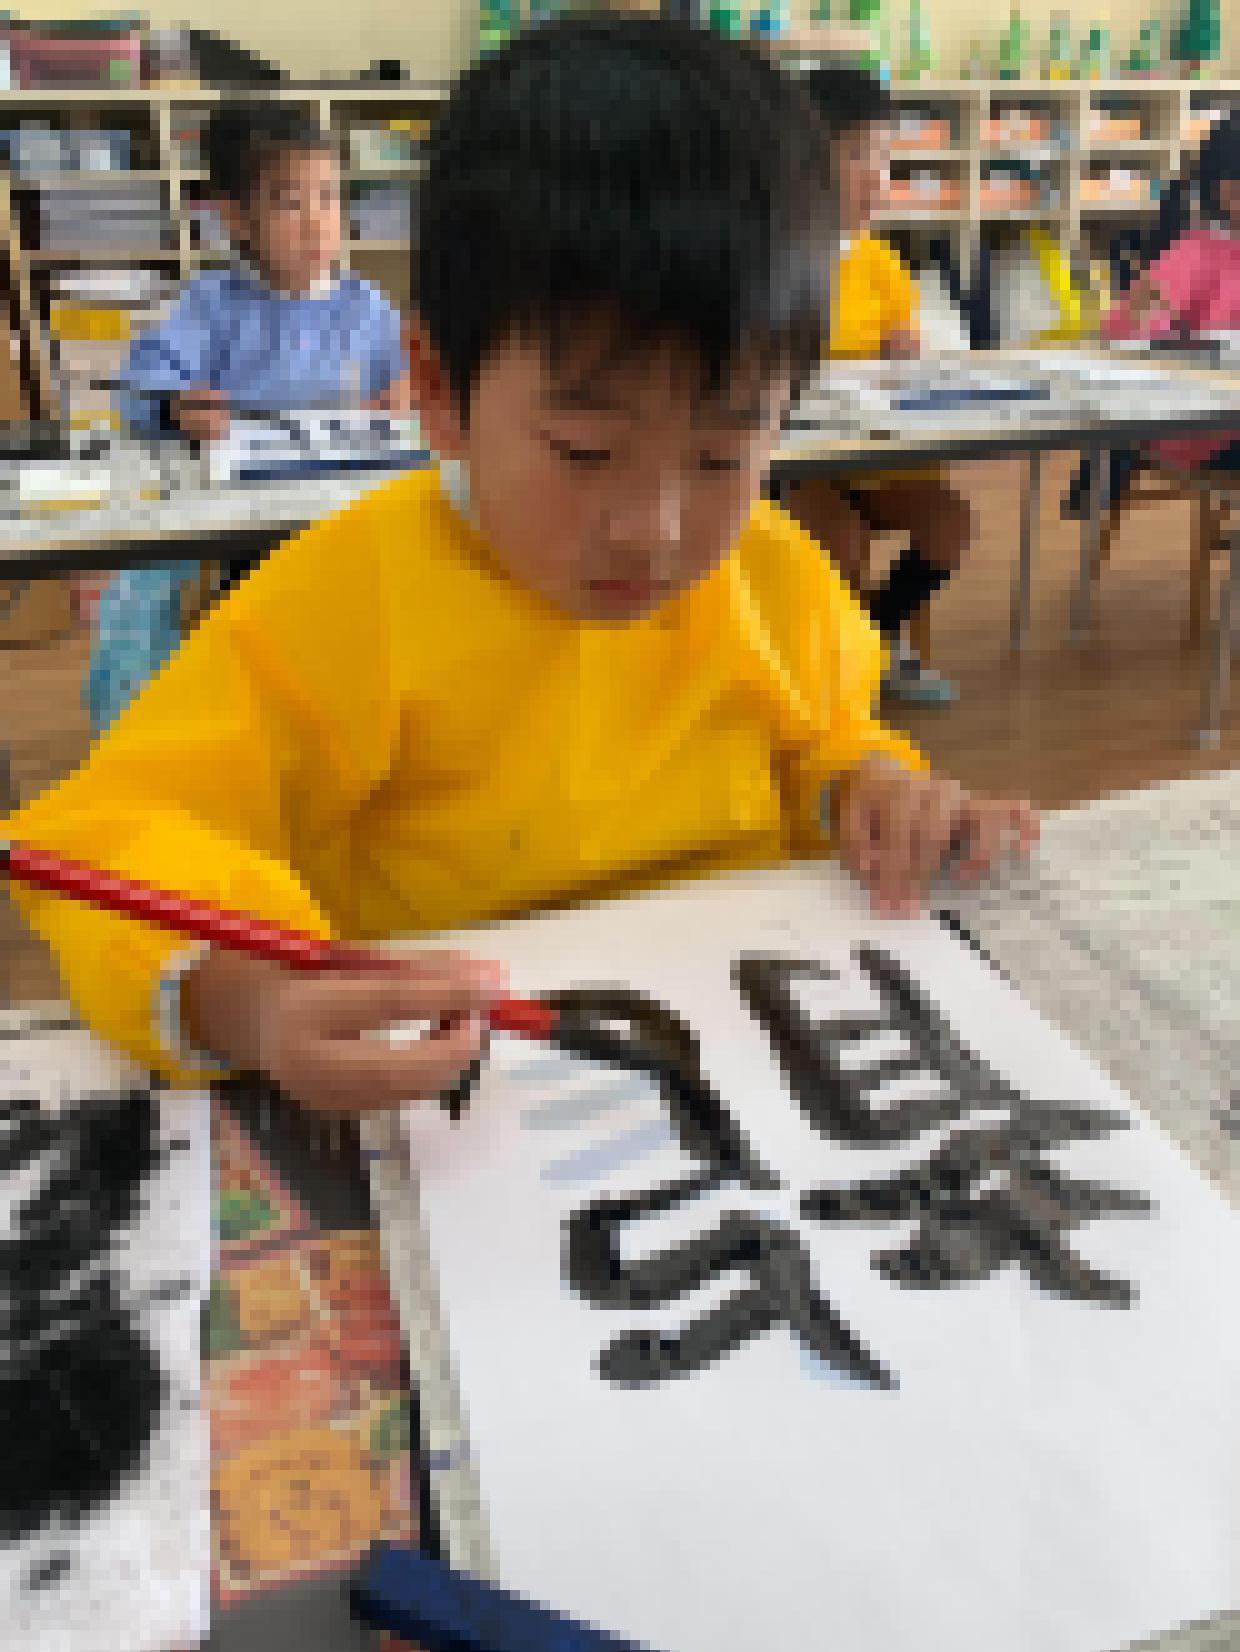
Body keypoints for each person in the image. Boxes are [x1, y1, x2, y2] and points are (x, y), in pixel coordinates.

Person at [5, 14, 1037, 1121]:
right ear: (438, 389)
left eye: (722, 456)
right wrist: (247, 1002)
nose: (652, 530)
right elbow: (116, 840)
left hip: (747, 1068)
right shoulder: (350, 600)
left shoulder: (772, 569)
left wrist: (869, 792)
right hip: (467, 1099)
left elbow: (817, 738)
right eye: (584, 451)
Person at [78, 101, 411, 734]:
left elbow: (403, 383)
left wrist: (402, 394)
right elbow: (142, 389)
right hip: (246, 524)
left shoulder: (364, 306)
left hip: (346, 516)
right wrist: (177, 407)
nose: (317, 221)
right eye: (289, 201)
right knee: (260, 640)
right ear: (236, 217)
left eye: (329, 196)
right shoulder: (212, 305)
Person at [776, 65, 974, 706]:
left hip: (876, 454)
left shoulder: (881, 262)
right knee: (841, 538)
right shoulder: (773, 259)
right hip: (796, 462)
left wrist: (912, 362)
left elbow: (904, 356)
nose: (876, 177)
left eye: (884, 158)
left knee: (950, 524)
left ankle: (875, 637)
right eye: (858, 155)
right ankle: (832, 665)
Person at [1098, 106, 1240, 638]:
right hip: (1201, 429)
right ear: (1235, 193)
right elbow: (1127, 336)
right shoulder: (1192, 255)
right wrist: (1148, 316)